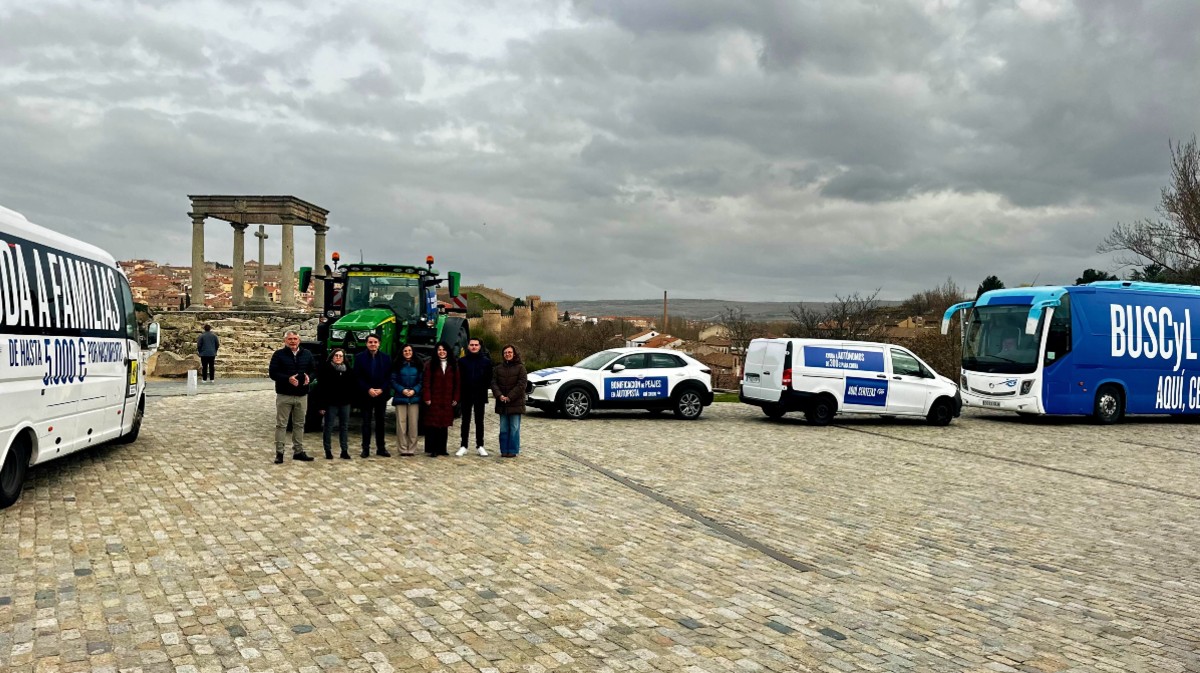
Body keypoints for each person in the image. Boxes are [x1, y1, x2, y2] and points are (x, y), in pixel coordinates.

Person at [268, 330, 316, 464]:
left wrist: (309, 377)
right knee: (281, 425)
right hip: (285, 395)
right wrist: (287, 379)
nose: (293, 341)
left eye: (295, 339)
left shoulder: (307, 354)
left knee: (299, 424)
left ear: (299, 340)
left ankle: (298, 451)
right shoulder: (278, 355)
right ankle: (279, 452)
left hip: (302, 395)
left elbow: (313, 370)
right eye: (290, 339)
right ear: (285, 341)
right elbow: (273, 373)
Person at [354, 335, 392, 457]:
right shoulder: (359, 358)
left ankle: (381, 448)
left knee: (380, 422)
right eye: (370, 342)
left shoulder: (386, 358)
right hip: (366, 395)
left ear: (379, 343)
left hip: (381, 395)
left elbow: (389, 377)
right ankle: (365, 449)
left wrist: (381, 389)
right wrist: (368, 389)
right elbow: (357, 377)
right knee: (366, 423)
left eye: (375, 342)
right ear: (366, 344)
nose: (373, 344)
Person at [316, 348, 355, 460]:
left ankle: (344, 450)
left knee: (344, 427)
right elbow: (321, 389)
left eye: (340, 356)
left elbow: (352, 387)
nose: (338, 357)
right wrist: (321, 406)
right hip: (330, 403)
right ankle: (328, 450)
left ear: (344, 358)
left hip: (344, 403)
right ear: (332, 357)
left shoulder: (348, 370)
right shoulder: (325, 369)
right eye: (336, 355)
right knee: (328, 426)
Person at [456, 338, 492, 457]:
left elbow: (489, 378)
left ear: (480, 346)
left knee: (479, 421)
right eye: (472, 345)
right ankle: (463, 445)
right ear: (468, 346)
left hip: (480, 395)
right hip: (466, 395)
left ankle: (480, 445)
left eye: (476, 345)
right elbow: (459, 379)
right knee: (465, 421)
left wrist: (482, 388)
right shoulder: (462, 361)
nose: (474, 347)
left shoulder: (486, 362)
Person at [422, 342, 459, 457]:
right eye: (439, 350)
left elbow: (457, 383)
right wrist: (427, 397)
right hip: (434, 398)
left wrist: (456, 398)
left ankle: (442, 448)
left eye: (443, 350)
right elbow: (426, 382)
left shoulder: (453, 365)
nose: (441, 352)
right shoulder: (430, 364)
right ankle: (433, 449)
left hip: (447, 398)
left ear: (447, 351)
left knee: (444, 425)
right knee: (434, 424)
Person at [491, 344, 528, 458]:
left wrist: (510, 396)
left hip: (515, 402)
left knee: (514, 428)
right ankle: (504, 450)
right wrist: (499, 395)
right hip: (502, 403)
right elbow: (493, 383)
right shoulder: (498, 368)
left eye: (510, 352)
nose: (507, 354)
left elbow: (522, 384)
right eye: (505, 353)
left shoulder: (521, 368)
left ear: (514, 353)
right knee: (503, 428)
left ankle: (512, 450)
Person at [391, 344, 424, 456]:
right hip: (401, 397)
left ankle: (412, 448)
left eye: (409, 350)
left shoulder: (418, 365)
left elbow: (421, 381)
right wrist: (402, 390)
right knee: (401, 424)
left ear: (413, 352)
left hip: (414, 398)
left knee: (413, 424)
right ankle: (402, 448)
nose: (407, 352)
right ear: (402, 352)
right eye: (405, 351)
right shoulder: (397, 365)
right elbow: (393, 380)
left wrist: (414, 390)